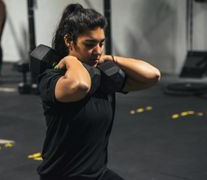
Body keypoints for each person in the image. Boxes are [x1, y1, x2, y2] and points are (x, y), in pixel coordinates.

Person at [37, 3, 161, 180]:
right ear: (68, 41)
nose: (97, 50)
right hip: (62, 176)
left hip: (98, 174)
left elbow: (153, 75)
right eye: (90, 44)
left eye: (101, 43)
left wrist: (110, 58)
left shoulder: (102, 76)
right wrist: (70, 60)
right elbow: (80, 86)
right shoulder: (52, 77)